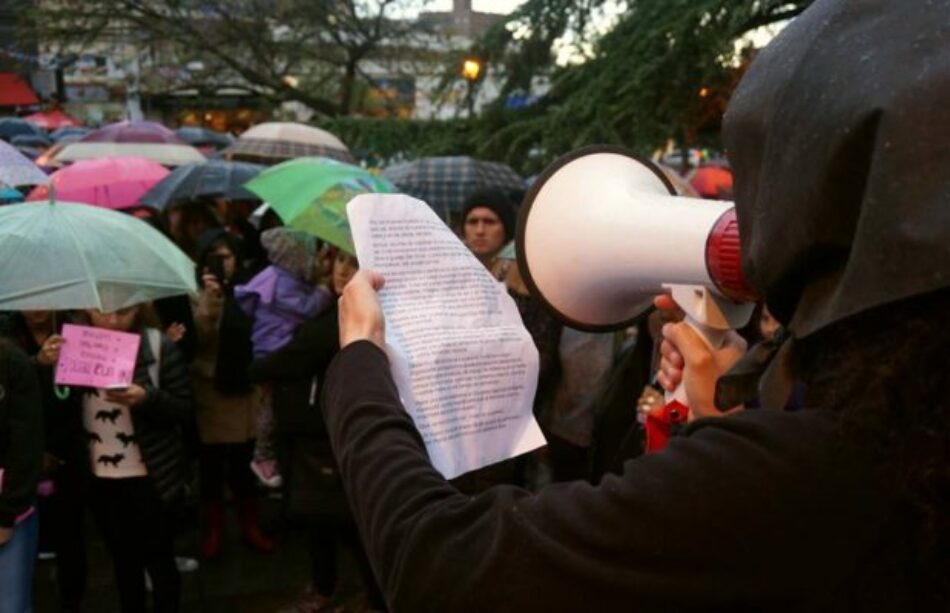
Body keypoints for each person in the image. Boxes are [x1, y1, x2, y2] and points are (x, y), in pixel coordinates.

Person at [319, 1, 950, 610]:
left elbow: (436, 566)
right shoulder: (902, 436)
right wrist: (723, 419)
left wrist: (361, 368)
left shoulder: (825, 471)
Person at [248, 251, 385, 612]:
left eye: (353, 264)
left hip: (332, 438)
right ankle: (332, 588)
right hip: (319, 434)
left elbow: (297, 356)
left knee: (347, 524)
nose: (342, 271)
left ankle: (373, 597)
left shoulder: (345, 318)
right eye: (338, 262)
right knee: (325, 522)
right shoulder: (329, 307)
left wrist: (254, 371)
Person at [79, 304, 192, 613]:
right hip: (100, 477)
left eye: (124, 310)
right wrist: (42, 364)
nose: (113, 320)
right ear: (86, 308)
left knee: (160, 560)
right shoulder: (76, 348)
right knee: (122, 562)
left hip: (151, 475)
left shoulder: (158, 346)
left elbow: (184, 409)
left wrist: (147, 398)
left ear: (139, 308)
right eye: (103, 310)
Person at [191, 228, 274, 558]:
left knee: (242, 464)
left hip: (243, 389)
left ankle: (250, 527)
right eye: (213, 257)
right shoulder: (194, 293)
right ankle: (214, 531)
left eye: (225, 256)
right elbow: (197, 339)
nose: (220, 263)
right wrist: (211, 302)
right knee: (211, 468)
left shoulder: (249, 288)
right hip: (209, 391)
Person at [2, 311, 87, 612]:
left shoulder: (76, 331)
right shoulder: (10, 339)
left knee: (71, 539)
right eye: (29, 301)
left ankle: (70, 601)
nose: (36, 310)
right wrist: (37, 364)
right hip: (23, 462)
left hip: (67, 454)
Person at [234, 228, 333, 488]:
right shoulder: (282, 282)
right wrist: (323, 291)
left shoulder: (283, 276)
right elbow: (305, 310)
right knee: (270, 408)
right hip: (272, 349)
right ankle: (262, 456)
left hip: (275, 345)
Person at [0, 340, 43, 613]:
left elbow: (26, 445)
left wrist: (6, 515)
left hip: (8, 509)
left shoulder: (12, 362)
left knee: (11, 605)